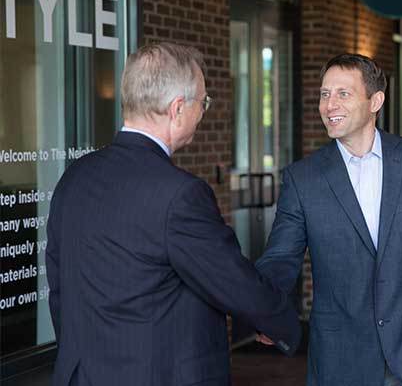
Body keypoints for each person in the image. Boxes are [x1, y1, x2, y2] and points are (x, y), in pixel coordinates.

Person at [46, 42, 301, 386]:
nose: (202, 112)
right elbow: (230, 280)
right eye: (203, 103)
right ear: (177, 108)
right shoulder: (181, 194)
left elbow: (60, 288)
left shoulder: (74, 177)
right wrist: (282, 323)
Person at [255, 53, 402, 386]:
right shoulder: (302, 179)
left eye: (343, 93)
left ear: (376, 101)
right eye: (324, 94)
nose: (329, 105)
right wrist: (262, 310)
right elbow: (279, 260)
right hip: (339, 361)